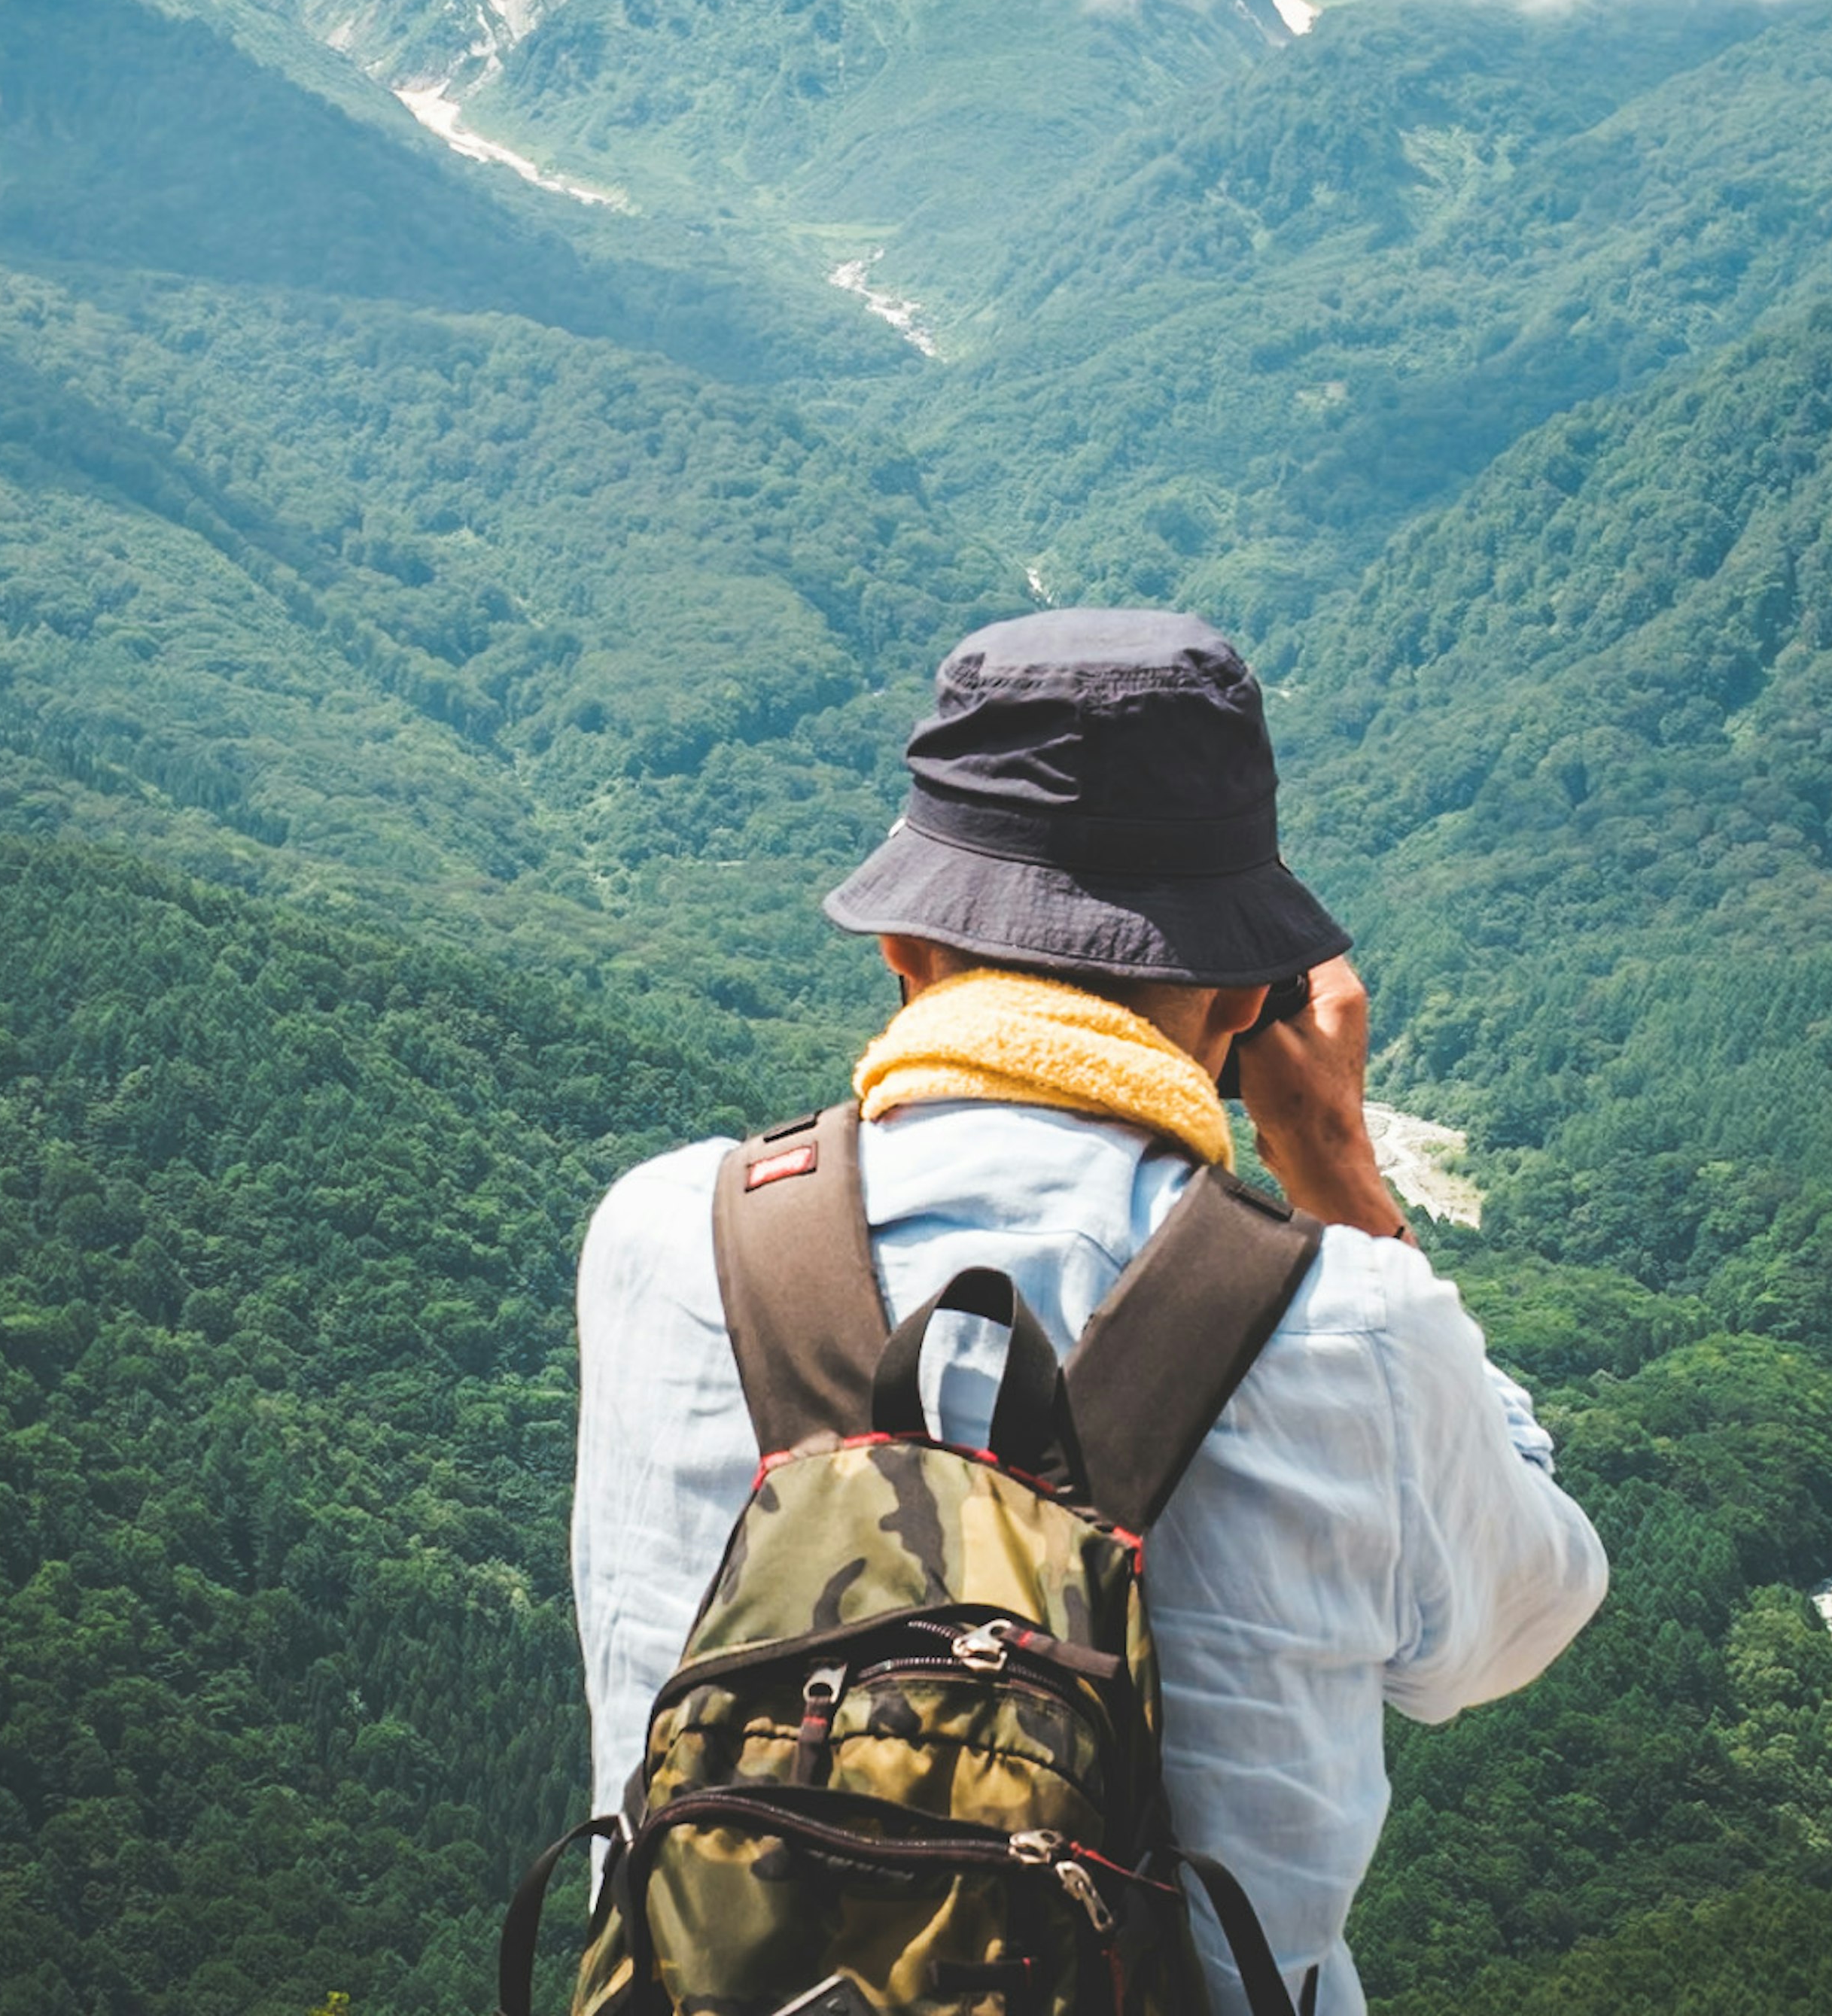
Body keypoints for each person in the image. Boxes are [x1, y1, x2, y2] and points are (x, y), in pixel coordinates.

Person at [571, 607, 1608, 2016]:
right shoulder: (1351, 1324)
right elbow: (1518, 1620)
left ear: (904, 952)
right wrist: (1338, 1166)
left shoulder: (664, 1240)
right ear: (1250, 995)